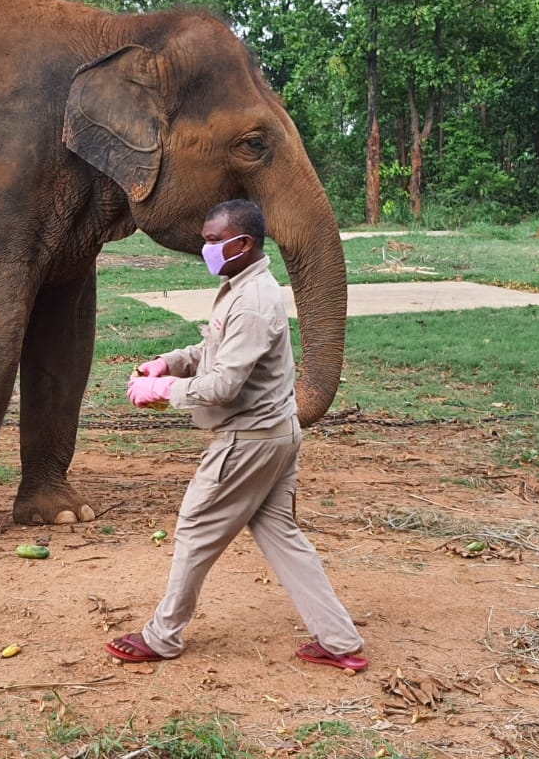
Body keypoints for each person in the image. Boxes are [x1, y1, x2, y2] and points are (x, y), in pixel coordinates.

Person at [108, 199, 368, 672]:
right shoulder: (243, 287)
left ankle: (163, 635)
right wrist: (172, 361)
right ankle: (339, 640)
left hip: (249, 440)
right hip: (276, 433)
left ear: (242, 243)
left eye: (212, 241)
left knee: (194, 529)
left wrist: (165, 390)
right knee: (283, 537)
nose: (205, 249)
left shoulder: (251, 303)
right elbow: (214, 350)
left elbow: (225, 386)